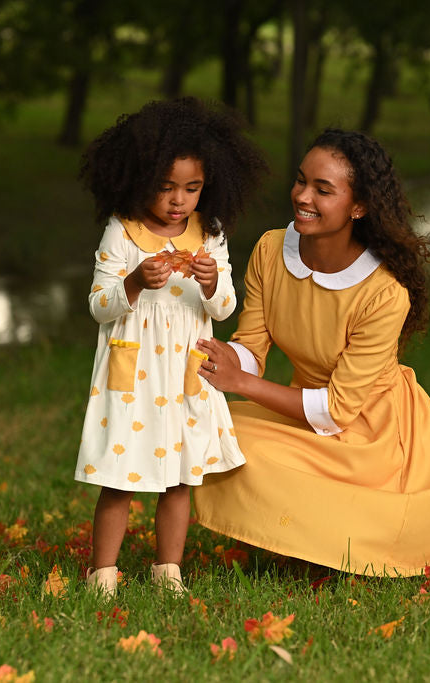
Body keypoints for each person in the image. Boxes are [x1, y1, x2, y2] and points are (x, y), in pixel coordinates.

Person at [194, 128, 430, 577]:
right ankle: (304, 543)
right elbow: (252, 344)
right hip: (302, 409)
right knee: (216, 427)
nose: (302, 196)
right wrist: (227, 360)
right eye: (301, 180)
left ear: (359, 206)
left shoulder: (385, 292)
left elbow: (336, 410)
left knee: (355, 521)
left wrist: (243, 384)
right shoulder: (272, 250)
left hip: (373, 434)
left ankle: (327, 547)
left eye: (323, 189)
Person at [75, 97, 267, 596]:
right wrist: (135, 282)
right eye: (165, 188)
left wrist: (209, 283)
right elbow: (99, 305)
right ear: (138, 179)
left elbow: (225, 308)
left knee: (180, 477)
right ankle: (104, 573)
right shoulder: (123, 231)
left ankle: (168, 571)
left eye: (191, 188)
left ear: (209, 185)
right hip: (134, 375)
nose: (178, 200)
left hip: (185, 373)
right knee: (120, 476)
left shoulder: (211, 234)